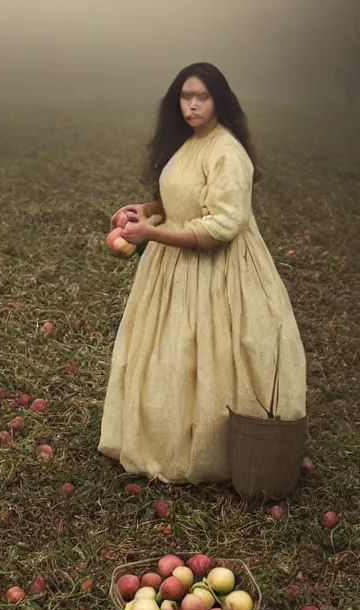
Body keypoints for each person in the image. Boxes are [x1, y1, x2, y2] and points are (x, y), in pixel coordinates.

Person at [97, 62, 307, 485]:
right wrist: (147, 211)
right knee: (172, 354)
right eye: (185, 97)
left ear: (218, 102)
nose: (192, 105)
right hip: (174, 268)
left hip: (219, 272)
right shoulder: (188, 145)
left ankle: (220, 448)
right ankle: (167, 440)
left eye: (202, 97)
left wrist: (151, 233)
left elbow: (218, 229)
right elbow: (182, 203)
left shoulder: (227, 152)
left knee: (214, 354)